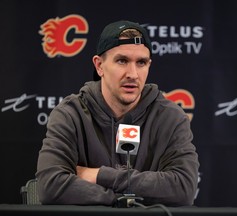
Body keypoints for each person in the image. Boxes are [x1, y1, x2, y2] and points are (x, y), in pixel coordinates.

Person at [36, 20, 200, 207]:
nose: (132, 74)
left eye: (141, 63)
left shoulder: (171, 117)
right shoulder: (70, 114)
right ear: (99, 66)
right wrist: (120, 201)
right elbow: (50, 186)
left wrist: (99, 175)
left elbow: (183, 189)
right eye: (122, 61)